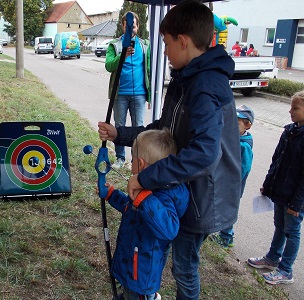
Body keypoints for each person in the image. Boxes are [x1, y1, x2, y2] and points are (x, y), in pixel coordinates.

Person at [98, 0, 241, 299]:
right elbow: (164, 128)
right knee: (179, 262)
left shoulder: (205, 86)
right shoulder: (185, 78)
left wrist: (145, 179)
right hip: (184, 187)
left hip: (203, 197)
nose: (163, 51)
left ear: (183, 41)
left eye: (166, 43)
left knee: (184, 267)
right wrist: (119, 133)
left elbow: (204, 154)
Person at [103, 129, 189, 300]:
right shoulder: (146, 189)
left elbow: (169, 230)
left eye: (132, 159)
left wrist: (145, 200)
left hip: (141, 272)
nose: (131, 163)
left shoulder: (163, 195)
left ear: (140, 164)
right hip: (131, 263)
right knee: (129, 293)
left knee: (136, 295)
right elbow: (130, 207)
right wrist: (111, 194)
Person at [247, 90, 304, 285]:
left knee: (292, 231)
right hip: (280, 192)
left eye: (295, 108)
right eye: (290, 107)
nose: (290, 111)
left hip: (295, 199)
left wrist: (296, 204)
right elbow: (276, 161)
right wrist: (268, 184)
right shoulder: (289, 131)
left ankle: (286, 270)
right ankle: (272, 258)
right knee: (279, 226)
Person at [105, 11, 150, 169]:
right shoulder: (115, 45)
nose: (131, 30)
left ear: (138, 27)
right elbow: (109, 66)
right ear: (123, 27)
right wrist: (122, 56)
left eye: (134, 27)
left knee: (139, 127)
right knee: (119, 126)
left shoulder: (145, 45)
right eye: (128, 27)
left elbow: (149, 70)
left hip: (139, 94)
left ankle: (136, 160)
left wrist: (150, 95)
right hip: (120, 94)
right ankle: (120, 158)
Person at [210, 105, 254, 249]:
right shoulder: (234, 139)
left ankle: (226, 236)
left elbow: (243, 169)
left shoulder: (244, 146)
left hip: (233, 186)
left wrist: (232, 183)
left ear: (248, 125)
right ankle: (224, 233)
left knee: (228, 209)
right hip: (227, 182)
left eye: (238, 122)